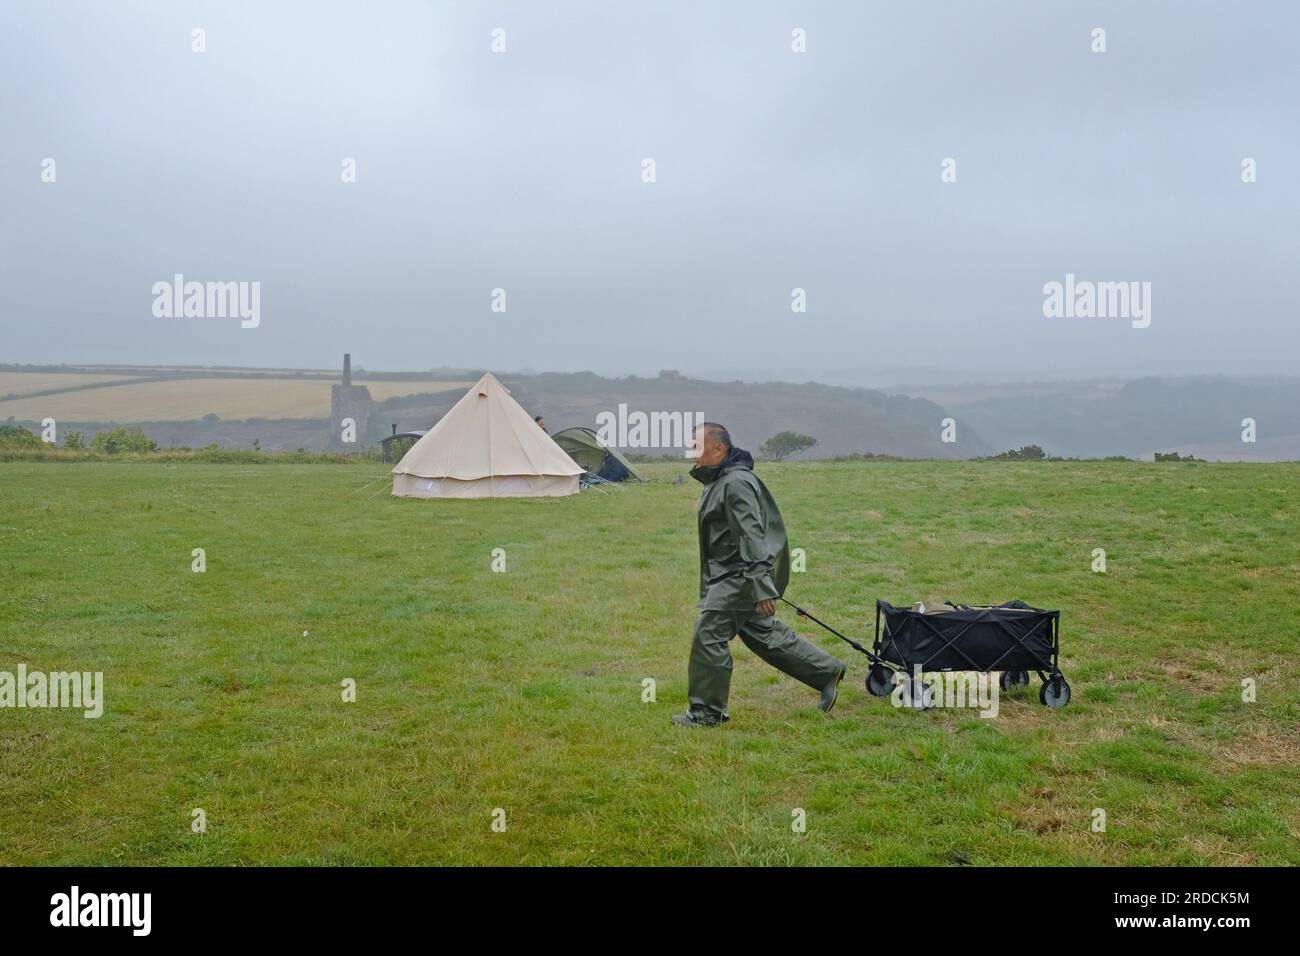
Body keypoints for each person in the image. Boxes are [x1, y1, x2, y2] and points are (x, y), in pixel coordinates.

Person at [673, 422, 846, 728]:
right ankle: (825, 671)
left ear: (718, 449)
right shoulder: (721, 480)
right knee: (762, 634)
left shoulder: (735, 483)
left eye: (697, 446)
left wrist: (760, 585)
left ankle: (706, 714)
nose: (692, 453)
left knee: (708, 635)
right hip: (731, 574)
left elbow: (751, 534)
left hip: (738, 576)